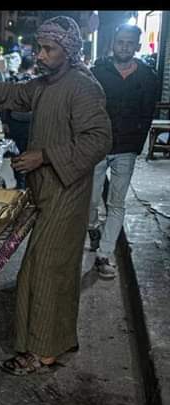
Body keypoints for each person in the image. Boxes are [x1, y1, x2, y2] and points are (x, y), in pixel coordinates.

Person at [0, 16, 112, 375]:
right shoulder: (45, 84)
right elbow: (14, 94)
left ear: (68, 52)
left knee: (44, 272)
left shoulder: (83, 87)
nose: (40, 55)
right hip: (46, 188)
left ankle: (41, 353)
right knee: (45, 271)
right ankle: (52, 342)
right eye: (39, 48)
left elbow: (99, 140)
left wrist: (44, 155)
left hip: (66, 193)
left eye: (48, 49)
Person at [88, 24, 160, 277]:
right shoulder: (98, 72)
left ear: (137, 46)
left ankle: (104, 254)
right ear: (113, 43)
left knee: (117, 203)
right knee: (91, 199)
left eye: (130, 43)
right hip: (98, 146)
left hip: (127, 149)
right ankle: (92, 227)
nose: (125, 46)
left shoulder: (148, 77)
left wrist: (137, 144)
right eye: (120, 42)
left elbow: (148, 112)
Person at [1, 55, 38, 189]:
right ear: (33, 66)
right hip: (32, 124)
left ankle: (20, 182)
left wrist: (5, 122)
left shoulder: (13, 79)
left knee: (17, 154)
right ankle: (29, 184)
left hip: (14, 122)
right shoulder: (37, 81)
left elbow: (5, 102)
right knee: (31, 154)